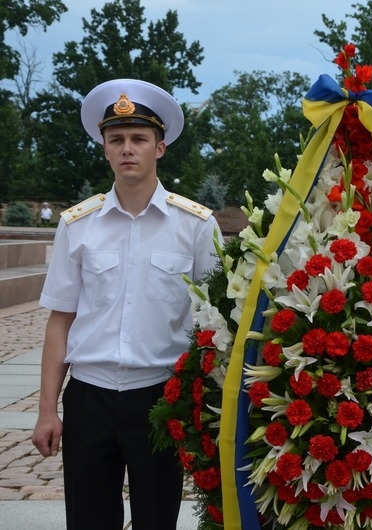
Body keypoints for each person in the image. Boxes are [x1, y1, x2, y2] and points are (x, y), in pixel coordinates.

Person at [32, 78, 221, 529]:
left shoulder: (195, 226)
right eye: (116, 139)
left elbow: (214, 323)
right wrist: (46, 410)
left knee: (157, 519)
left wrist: (207, 406)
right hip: (89, 397)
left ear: (160, 148)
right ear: (104, 148)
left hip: (160, 397)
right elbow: (61, 319)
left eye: (139, 139)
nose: (127, 148)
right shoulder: (77, 226)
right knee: (88, 518)